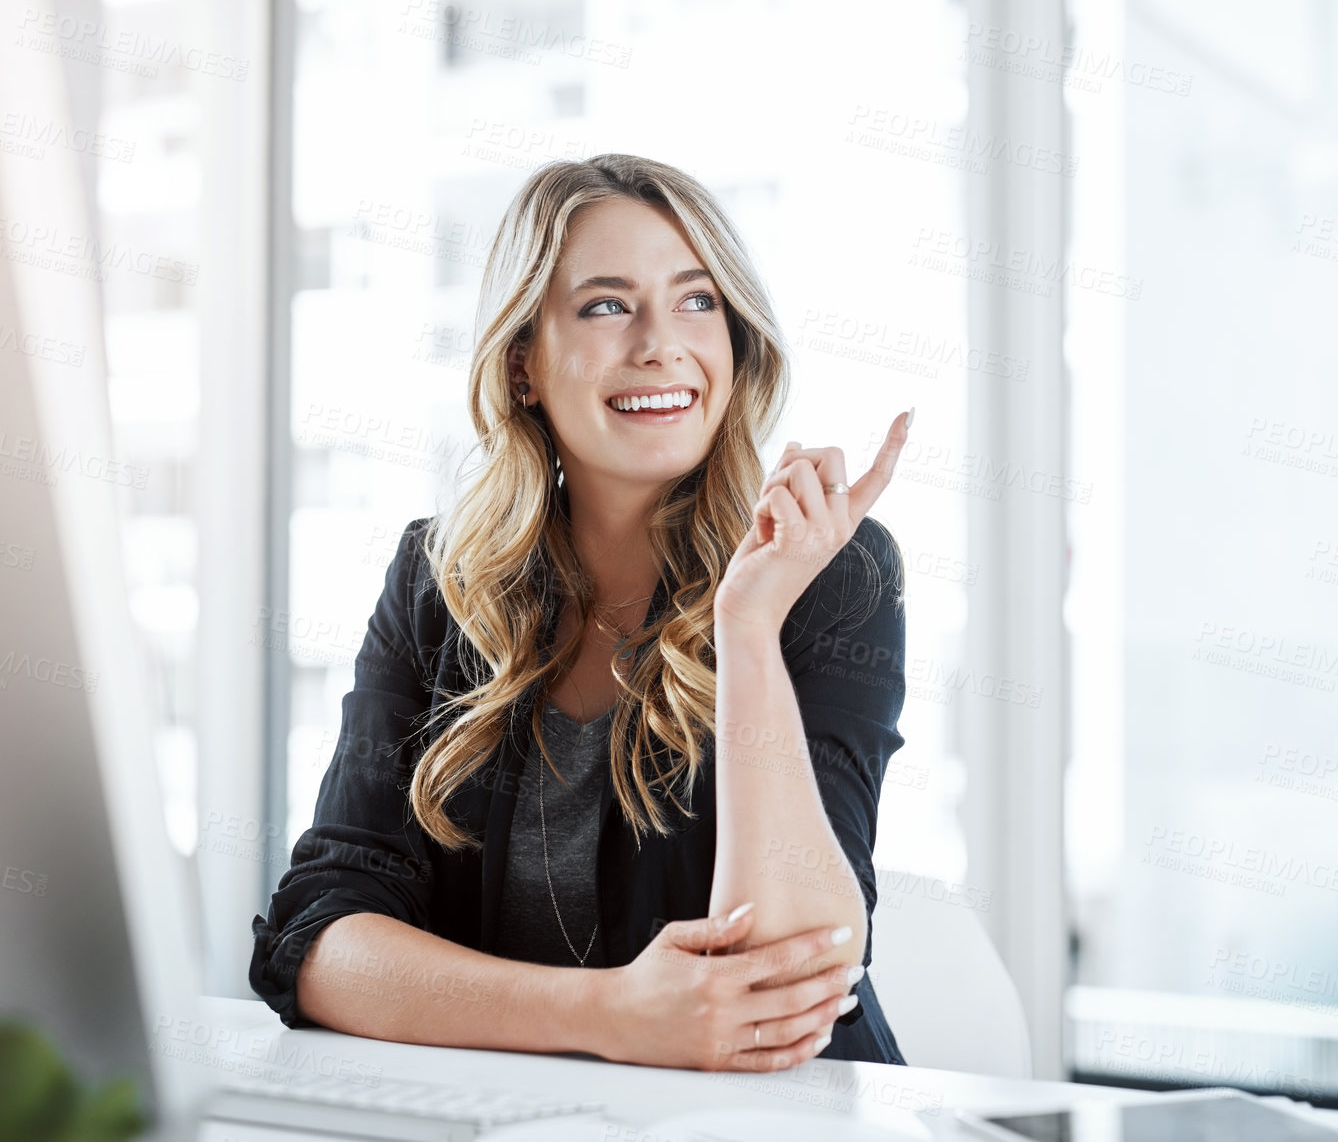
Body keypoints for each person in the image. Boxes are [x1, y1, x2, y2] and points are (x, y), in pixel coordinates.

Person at [249, 154, 915, 1071]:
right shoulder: (436, 582)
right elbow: (319, 941)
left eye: (696, 301)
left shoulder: (830, 571)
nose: (659, 344)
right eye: (606, 305)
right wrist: (608, 1013)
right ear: (522, 364)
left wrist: (749, 628)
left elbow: (789, 979)